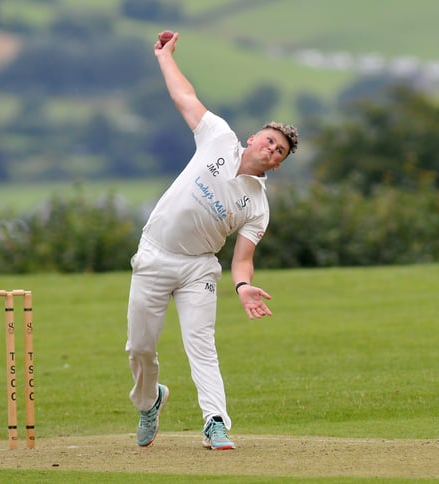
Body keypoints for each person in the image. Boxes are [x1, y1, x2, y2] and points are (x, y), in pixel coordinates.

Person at [125, 32, 299, 451]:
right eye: (270, 141)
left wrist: (243, 286)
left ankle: (215, 423)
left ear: (277, 165)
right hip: (154, 254)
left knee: (201, 345)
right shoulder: (218, 136)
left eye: (281, 152)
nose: (273, 150)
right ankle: (150, 402)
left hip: (198, 268)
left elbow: (242, 259)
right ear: (255, 138)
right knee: (140, 348)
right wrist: (165, 57)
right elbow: (185, 97)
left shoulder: (258, 206)